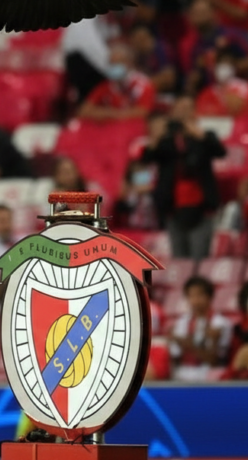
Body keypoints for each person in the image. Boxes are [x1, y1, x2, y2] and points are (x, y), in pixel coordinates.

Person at [142, 97, 226, 260]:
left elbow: (220, 152)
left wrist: (198, 134)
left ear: (194, 112)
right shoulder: (166, 141)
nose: (183, 113)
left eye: (187, 109)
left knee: (199, 258)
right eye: (180, 109)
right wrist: (157, 136)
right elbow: (146, 159)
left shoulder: (205, 136)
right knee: (179, 258)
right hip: (172, 205)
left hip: (202, 205)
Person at [169, 276, 232, 381]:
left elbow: (215, 360)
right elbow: (176, 355)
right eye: (191, 296)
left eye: (200, 295)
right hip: (183, 374)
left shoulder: (221, 323)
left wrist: (187, 344)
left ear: (209, 297)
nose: (195, 301)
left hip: (210, 375)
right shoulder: (182, 322)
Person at [76, 45, 156, 122]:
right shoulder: (106, 85)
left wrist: (108, 114)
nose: (113, 67)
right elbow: (83, 111)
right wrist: (108, 113)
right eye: (111, 63)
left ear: (129, 63)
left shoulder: (143, 84)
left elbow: (143, 112)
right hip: (112, 128)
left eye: (117, 63)